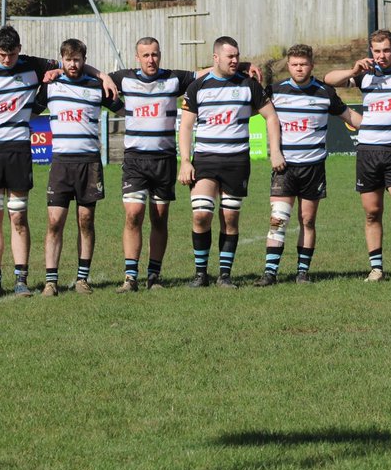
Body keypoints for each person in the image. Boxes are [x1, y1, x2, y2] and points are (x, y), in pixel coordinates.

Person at [0, 25, 116, 298]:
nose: (7, 60)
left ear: (20, 50)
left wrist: (102, 76)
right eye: (2, 54)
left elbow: (73, 62)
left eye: (12, 54)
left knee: (18, 216)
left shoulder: (35, 66)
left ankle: (21, 279)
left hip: (19, 150)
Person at [324, 30, 391, 282]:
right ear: (371, 51)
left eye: (386, 50)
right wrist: (352, 71)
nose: (382, 55)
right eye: (377, 50)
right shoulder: (364, 74)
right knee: (372, 212)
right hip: (368, 152)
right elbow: (328, 80)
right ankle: (376, 268)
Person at [179, 36, 284, 288]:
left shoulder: (248, 85)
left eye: (237, 56)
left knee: (229, 218)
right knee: (201, 215)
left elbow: (271, 117)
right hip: (205, 160)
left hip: (236, 162)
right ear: (216, 58)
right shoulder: (198, 86)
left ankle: (224, 276)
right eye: (230, 56)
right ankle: (200, 274)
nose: (235, 60)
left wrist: (275, 151)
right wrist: (185, 160)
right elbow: (185, 126)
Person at [256, 44, 361, 285]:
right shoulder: (275, 90)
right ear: (289, 66)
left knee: (308, 220)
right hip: (284, 166)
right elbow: (253, 109)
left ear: (311, 66)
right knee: (278, 218)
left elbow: (350, 117)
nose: (299, 68)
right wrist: (275, 152)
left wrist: (381, 126)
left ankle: (302, 272)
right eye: (294, 64)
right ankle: (270, 273)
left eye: (303, 64)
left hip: (313, 167)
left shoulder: (324, 92)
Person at [109, 38, 200, 291]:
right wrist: (119, 107)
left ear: (160, 55)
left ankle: (154, 276)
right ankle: (130, 277)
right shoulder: (124, 79)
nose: (151, 59)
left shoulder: (174, 79)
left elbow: (205, 74)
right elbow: (98, 82)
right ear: (137, 57)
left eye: (155, 55)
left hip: (164, 160)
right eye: (146, 55)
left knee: (159, 218)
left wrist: (243, 65)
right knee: (133, 214)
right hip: (135, 160)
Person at [37, 39, 122, 296]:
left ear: (84, 60)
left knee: (86, 220)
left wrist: (104, 77)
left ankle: (82, 279)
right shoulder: (50, 86)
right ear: (61, 60)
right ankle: (51, 281)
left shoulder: (96, 86)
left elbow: (126, 107)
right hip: (61, 163)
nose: (73, 64)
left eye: (77, 60)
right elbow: (25, 108)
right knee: (54, 222)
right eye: (68, 60)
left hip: (89, 164)